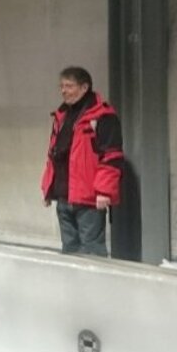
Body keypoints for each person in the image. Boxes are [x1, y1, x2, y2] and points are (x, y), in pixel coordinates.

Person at [39, 66, 123, 257]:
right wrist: (48, 187)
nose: (63, 90)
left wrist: (104, 191)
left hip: (88, 198)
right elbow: (54, 155)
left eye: (69, 86)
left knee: (92, 251)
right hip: (64, 195)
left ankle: (94, 287)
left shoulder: (103, 116)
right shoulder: (61, 116)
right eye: (61, 86)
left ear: (84, 87)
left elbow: (112, 156)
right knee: (69, 250)